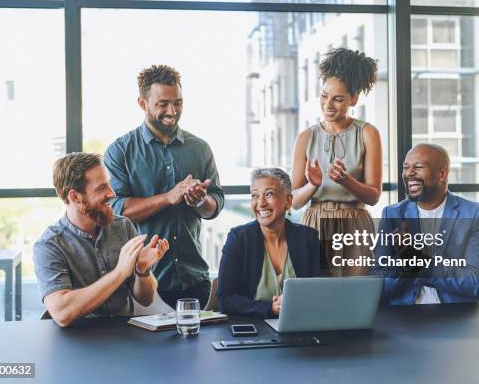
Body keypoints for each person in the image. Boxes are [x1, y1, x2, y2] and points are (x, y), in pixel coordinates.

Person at [104, 65, 224, 310]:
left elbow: (215, 205)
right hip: (142, 281)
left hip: (194, 278)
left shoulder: (200, 148)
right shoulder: (120, 151)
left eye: (178, 103)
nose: (172, 111)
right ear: (142, 103)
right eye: (163, 104)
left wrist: (200, 200)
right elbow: (116, 211)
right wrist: (168, 198)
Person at [34, 153, 169, 327]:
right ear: (75, 197)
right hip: (76, 341)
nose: (112, 193)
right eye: (101, 188)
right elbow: (62, 313)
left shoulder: (123, 226)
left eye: (109, 185)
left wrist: (142, 270)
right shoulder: (49, 245)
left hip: (122, 335)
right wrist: (120, 272)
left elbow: (146, 299)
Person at [291, 48, 382, 276]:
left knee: (356, 298)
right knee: (318, 298)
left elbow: (373, 196)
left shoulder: (368, 133)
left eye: (338, 99)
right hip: (315, 223)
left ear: (353, 99)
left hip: (355, 223)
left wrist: (346, 180)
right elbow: (293, 201)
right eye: (324, 96)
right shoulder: (305, 137)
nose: (328, 105)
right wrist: (313, 184)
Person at [374, 143, 479, 304]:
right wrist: (406, 266)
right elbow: (378, 284)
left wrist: (424, 264)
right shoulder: (392, 215)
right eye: (406, 167)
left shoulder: (474, 214)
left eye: (418, 167)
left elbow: (476, 283)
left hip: (458, 314)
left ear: (442, 174)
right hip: (404, 314)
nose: (409, 173)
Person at [217, 168, 320, 318]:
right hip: (252, 332)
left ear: (288, 201)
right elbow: (225, 299)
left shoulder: (308, 238)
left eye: (269, 194)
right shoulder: (238, 239)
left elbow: (321, 292)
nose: (261, 203)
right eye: (255, 195)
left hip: (300, 326)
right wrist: (270, 308)